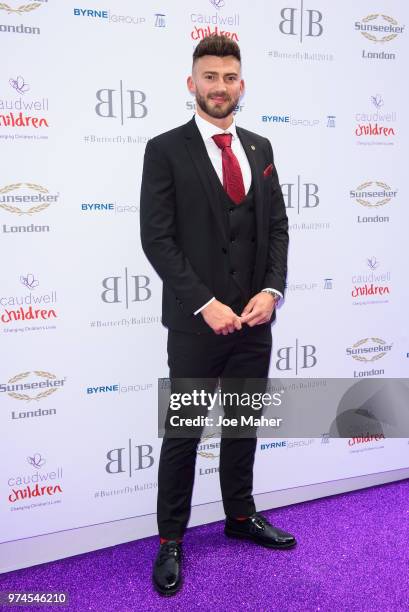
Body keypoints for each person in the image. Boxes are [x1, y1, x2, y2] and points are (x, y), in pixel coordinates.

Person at [140, 35, 296, 596]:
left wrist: (272, 290)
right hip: (195, 326)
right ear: (192, 84)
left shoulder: (260, 146)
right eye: (210, 77)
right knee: (183, 432)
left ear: (241, 85)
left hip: (254, 323)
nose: (220, 87)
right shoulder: (165, 149)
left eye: (230, 78)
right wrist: (206, 305)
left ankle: (239, 516)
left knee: (242, 426)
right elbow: (156, 239)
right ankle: (169, 541)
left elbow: (276, 228)